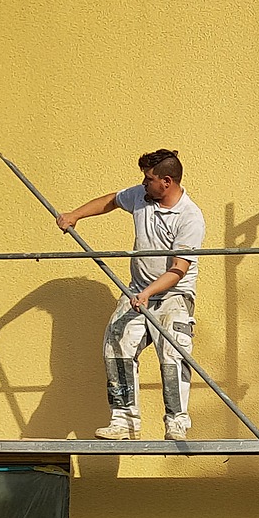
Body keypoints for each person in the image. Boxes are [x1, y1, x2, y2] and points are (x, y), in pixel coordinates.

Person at [56, 149, 205, 442]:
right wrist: (75, 216)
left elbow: (179, 269)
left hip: (174, 295)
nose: (143, 183)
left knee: (173, 353)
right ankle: (124, 420)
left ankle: (176, 420)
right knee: (117, 345)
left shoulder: (190, 217)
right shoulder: (141, 197)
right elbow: (111, 200)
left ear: (166, 181)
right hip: (137, 290)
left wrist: (148, 293)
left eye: (148, 179)